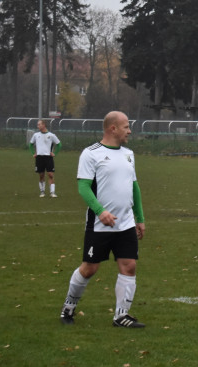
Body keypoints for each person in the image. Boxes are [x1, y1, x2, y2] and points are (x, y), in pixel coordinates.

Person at [60, 111, 146, 328]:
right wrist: (101, 211)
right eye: (126, 126)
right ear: (113, 128)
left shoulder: (128, 154)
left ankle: (121, 316)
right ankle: (68, 307)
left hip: (125, 223)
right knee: (89, 268)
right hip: (100, 224)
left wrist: (140, 217)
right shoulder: (91, 154)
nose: (130, 130)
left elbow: (134, 187)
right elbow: (83, 187)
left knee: (129, 266)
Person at [29, 119, 62, 197]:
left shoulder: (51, 135)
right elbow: (30, 144)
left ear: (44, 125)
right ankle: (42, 191)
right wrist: (33, 153)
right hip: (39, 158)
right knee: (41, 175)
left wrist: (55, 153)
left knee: (50, 174)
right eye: (38, 125)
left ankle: (52, 192)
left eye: (39, 124)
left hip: (48, 158)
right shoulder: (36, 135)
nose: (38, 126)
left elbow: (59, 144)